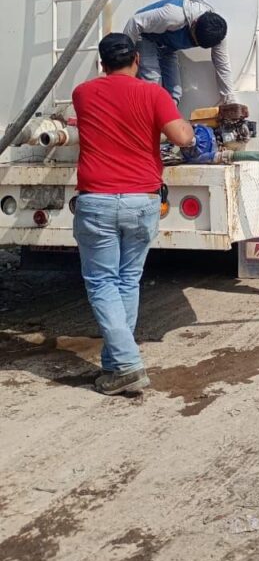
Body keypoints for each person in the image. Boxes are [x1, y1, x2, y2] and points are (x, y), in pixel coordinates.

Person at [72, 33, 194, 395]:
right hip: (142, 201)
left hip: (97, 201)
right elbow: (181, 138)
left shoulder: (82, 94)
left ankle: (125, 365)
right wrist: (187, 127)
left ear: (101, 63)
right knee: (126, 281)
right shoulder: (153, 94)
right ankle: (118, 366)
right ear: (137, 60)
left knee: (102, 283)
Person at [124, 0, 235, 105]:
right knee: (153, 85)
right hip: (145, 36)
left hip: (167, 48)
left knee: (175, 93)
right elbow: (134, 22)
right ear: (194, 23)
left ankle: (165, 115)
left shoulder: (217, 34)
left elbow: (222, 65)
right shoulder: (175, 15)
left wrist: (230, 101)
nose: (194, 43)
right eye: (194, 40)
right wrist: (125, 64)